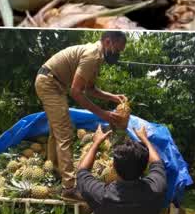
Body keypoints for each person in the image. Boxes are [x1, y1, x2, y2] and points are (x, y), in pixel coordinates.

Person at [35, 31, 128, 200]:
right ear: (108, 42)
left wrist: (112, 97)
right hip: (50, 83)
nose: (118, 55)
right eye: (118, 50)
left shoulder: (96, 57)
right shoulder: (92, 56)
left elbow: (90, 89)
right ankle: (69, 188)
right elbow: (76, 93)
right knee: (65, 133)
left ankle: (55, 172)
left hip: (52, 82)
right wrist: (103, 114)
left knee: (56, 132)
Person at [76, 125, 167, 214]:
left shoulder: (101, 194)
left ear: (114, 167)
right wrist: (145, 139)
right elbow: (157, 163)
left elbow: (82, 170)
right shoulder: (155, 189)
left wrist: (96, 142)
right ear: (145, 168)